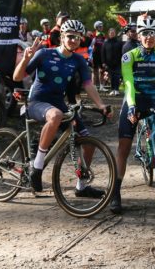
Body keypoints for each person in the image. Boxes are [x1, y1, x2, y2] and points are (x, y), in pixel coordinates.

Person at [13, 20, 111, 195]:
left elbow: (89, 85)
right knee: (56, 115)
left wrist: (101, 105)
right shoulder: (44, 53)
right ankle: (37, 167)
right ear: (62, 37)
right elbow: (17, 76)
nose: (73, 40)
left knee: (89, 144)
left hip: (58, 103)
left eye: (77, 37)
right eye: (70, 36)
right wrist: (26, 58)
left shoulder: (78, 60)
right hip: (37, 102)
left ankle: (81, 187)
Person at [110, 16, 155, 214]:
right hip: (133, 100)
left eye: (152, 33)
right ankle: (115, 192)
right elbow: (128, 83)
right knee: (123, 147)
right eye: (145, 33)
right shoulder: (130, 55)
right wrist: (132, 106)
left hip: (152, 101)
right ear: (139, 35)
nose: (148, 37)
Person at [101, 28, 123, 96]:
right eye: (111, 33)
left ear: (115, 33)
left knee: (117, 76)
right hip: (108, 63)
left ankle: (116, 89)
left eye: (113, 32)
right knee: (111, 77)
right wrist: (103, 62)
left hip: (117, 62)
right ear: (109, 34)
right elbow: (103, 53)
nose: (112, 34)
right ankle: (112, 89)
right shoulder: (105, 43)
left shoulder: (119, 42)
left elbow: (122, 52)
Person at [89, 21, 107, 92]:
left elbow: (105, 44)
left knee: (102, 71)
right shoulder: (93, 35)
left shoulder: (103, 35)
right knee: (94, 71)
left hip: (101, 55)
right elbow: (90, 46)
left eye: (102, 26)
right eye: (100, 26)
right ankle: (94, 86)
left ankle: (101, 86)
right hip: (94, 54)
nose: (101, 28)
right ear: (96, 27)